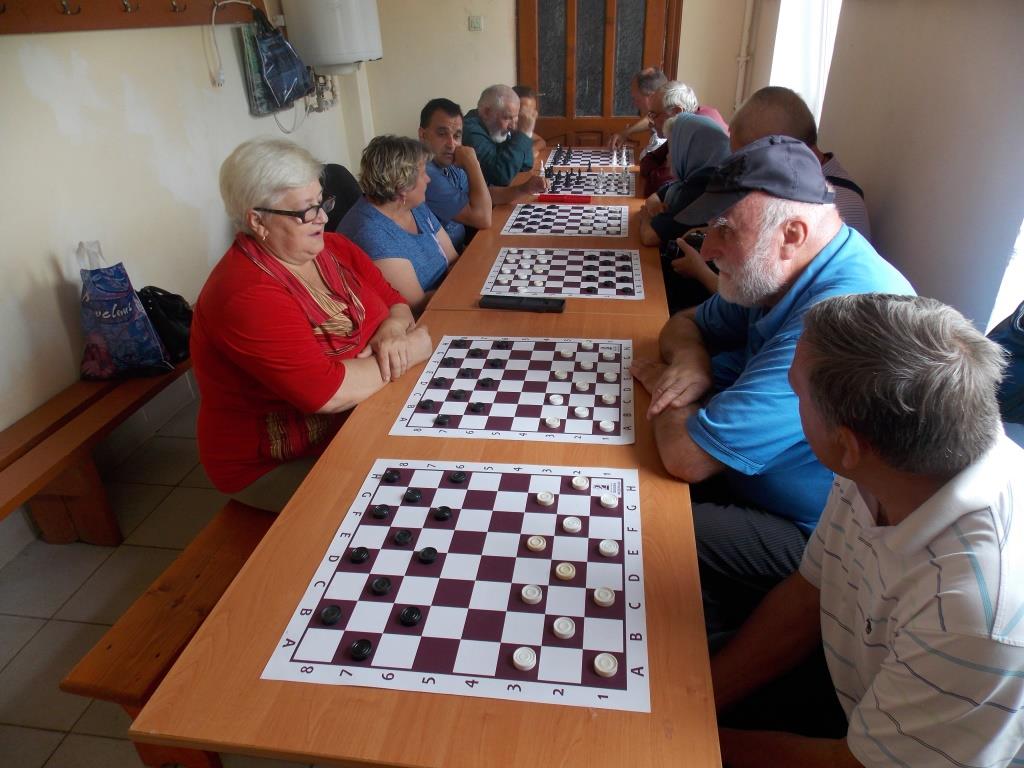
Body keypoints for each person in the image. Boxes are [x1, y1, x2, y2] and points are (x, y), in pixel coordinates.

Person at [713, 293, 1024, 768]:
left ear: (847, 444)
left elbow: (860, 764)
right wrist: (700, 698)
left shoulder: (975, 615)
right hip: (855, 692)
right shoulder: (886, 462)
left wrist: (680, 735)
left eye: (796, 393)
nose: (792, 400)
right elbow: (808, 594)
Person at [629, 136, 913, 647]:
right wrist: (691, 362)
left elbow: (686, 457)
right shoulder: (782, 268)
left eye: (724, 230)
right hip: (744, 473)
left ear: (792, 234)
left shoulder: (835, 317)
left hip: (812, 535)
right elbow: (683, 324)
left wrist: (672, 388)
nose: (708, 250)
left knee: (631, 527)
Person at [191, 138, 433, 511]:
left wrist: (392, 331)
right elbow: (326, 393)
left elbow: (396, 302)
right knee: (409, 498)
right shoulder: (245, 294)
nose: (322, 217)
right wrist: (412, 349)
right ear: (258, 220)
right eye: (306, 210)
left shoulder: (334, 248)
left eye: (322, 202)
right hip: (280, 460)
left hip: (362, 414)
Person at [337, 135, 459, 315]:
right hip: (427, 317)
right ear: (402, 186)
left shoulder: (413, 204)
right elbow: (417, 306)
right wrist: (461, 286)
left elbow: (454, 259)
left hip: (448, 297)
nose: (428, 179)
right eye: (423, 174)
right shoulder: (371, 234)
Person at [730, 86, 872, 240]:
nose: (744, 173)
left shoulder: (833, 206)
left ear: (779, 153)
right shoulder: (799, 184)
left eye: (746, 163)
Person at [638, 112, 730, 311]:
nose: (668, 156)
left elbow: (649, 236)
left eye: (673, 148)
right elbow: (656, 195)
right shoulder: (692, 177)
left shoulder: (701, 186)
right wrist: (653, 203)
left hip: (688, 298)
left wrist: (645, 215)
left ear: (690, 150)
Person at [418, 98, 492, 252]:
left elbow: (481, 195)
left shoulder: (449, 163)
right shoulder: (425, 173)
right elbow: (483, 218)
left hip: (460, 252)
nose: (451, 144)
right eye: (442, 134)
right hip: (446, 263)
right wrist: (473, 164)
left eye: (457, 136)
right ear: (422, 135)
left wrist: (521, 190)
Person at [638, 80, 729, 197]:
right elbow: (648, 159)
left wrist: (653, 173)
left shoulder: (698, 133)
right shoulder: (684, 127)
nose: (651, 122)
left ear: (677, 112)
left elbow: (656, 185)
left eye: (654, 114)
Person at [462, 84, 537, 186]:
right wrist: (523, 134)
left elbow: (526, 164)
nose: (513, 125)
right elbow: (501, 176)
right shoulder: (470, 130)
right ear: (486, 112)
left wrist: (523, 134)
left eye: (515, 117)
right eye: (507, 118)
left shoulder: (496, 127)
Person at [608, 68, 668, 158]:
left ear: (652, 96)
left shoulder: (664, 135)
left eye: (637, 99)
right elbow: (649, 120)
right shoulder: (662, 112)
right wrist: (625, 133)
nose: (635, 104)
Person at [513, 85, 547, 164]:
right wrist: (527, 155)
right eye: (526, 111)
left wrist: (532, 150)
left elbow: (541, 141)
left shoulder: (519, 128)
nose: (534, 115)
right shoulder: (504, 130)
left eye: (533, 110)